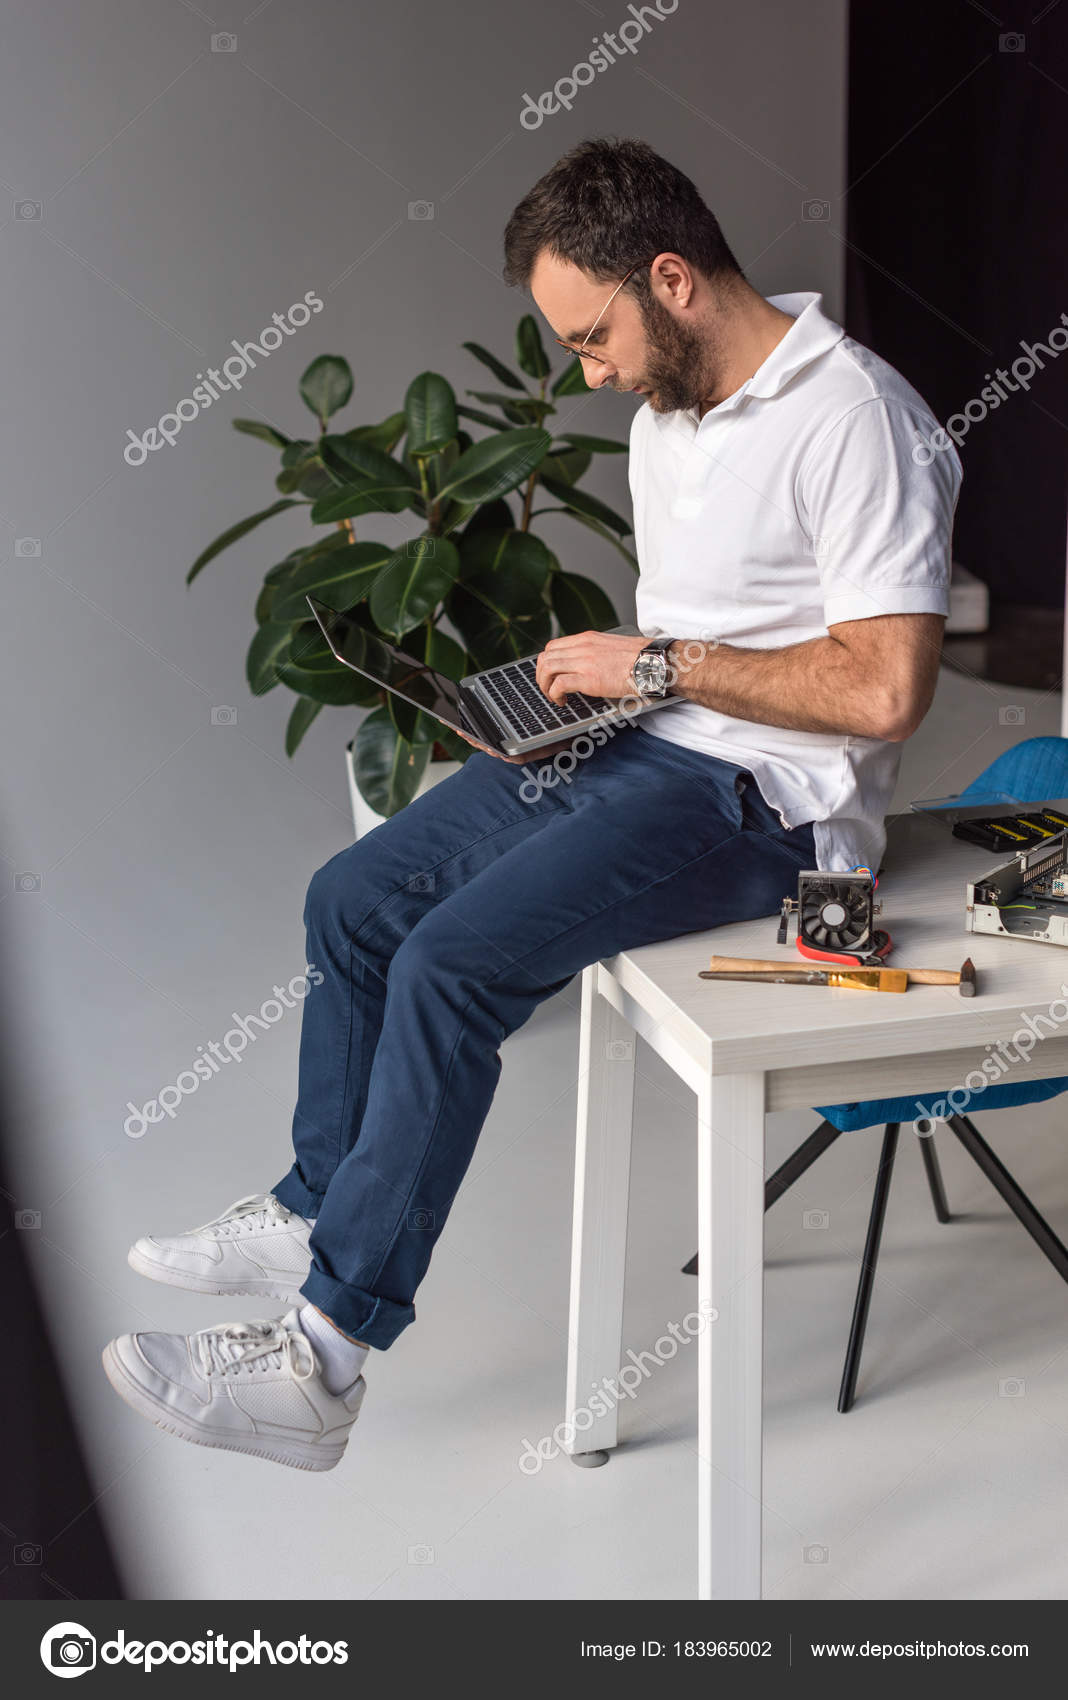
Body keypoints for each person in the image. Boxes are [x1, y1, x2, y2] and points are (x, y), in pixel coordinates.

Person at [102, 137, 962, 1470]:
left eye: (590, 337)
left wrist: (657, 665)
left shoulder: (860, 419)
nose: (586, 374)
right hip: (647, 742)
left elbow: (886, 688)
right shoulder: (676, 413)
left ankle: (323, 1363)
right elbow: (720, 634)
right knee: (358, 896)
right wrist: (602, 684)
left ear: (671, 278)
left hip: (771, 807)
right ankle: (314, 1198)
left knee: (452, 962)